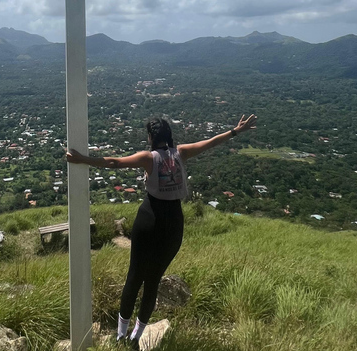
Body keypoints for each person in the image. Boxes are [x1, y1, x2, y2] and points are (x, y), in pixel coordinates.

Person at [66, 114, 257, 347]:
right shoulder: (181, 153)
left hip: (149, 218)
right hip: (174, 222)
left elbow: (114, 162)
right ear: (169, 136)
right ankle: (136, 338)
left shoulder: (149, 158)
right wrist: (235, 131)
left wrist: (82, 159)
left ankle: (120, 336)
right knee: (153, 281)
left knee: (134, 277)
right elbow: (210, 142)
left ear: (150, 137)